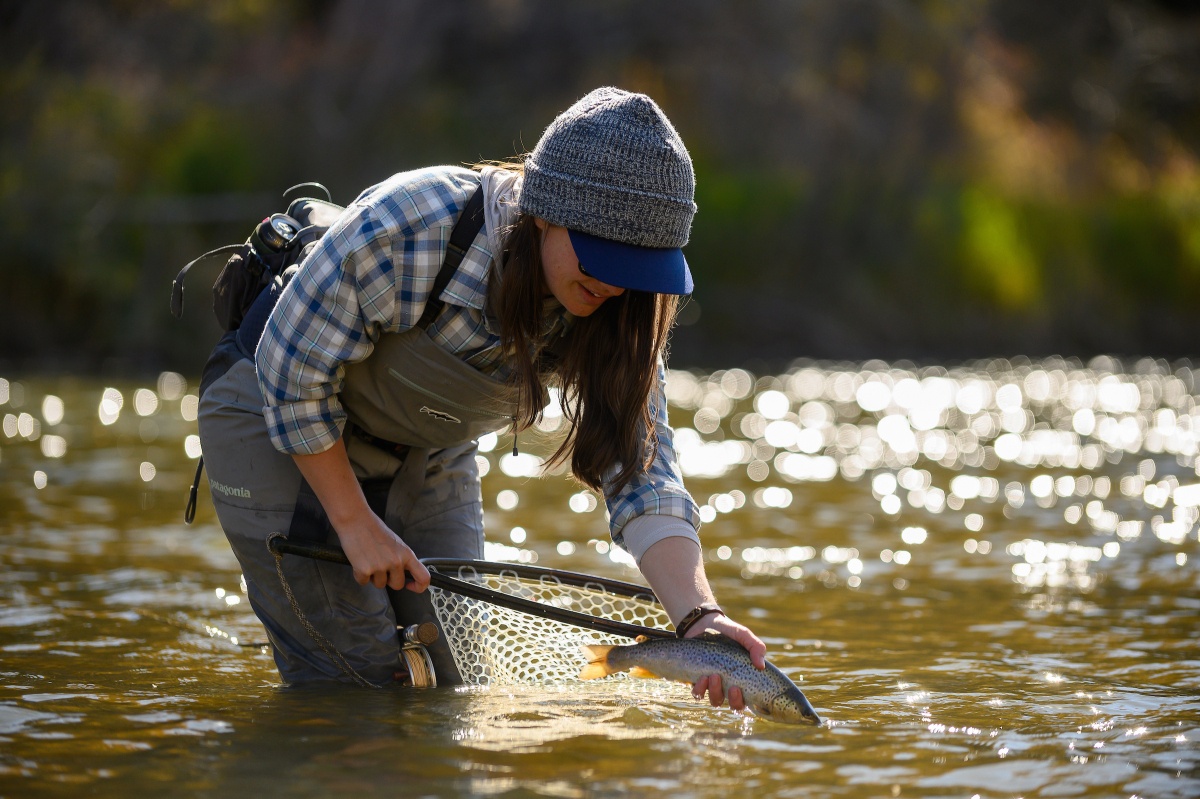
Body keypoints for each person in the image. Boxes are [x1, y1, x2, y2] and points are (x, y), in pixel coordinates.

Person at [197, 86, 766, 709]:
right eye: (602, 256)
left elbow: (642, 472)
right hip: (272, 411)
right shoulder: (416, 221)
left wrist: (698, 619)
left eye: (638, 271)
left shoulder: (622, 311)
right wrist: (356, 524)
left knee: (453, 684)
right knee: (353, 684)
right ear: (546, 211)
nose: (614, 284)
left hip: (425, 444)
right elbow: (291, 371)